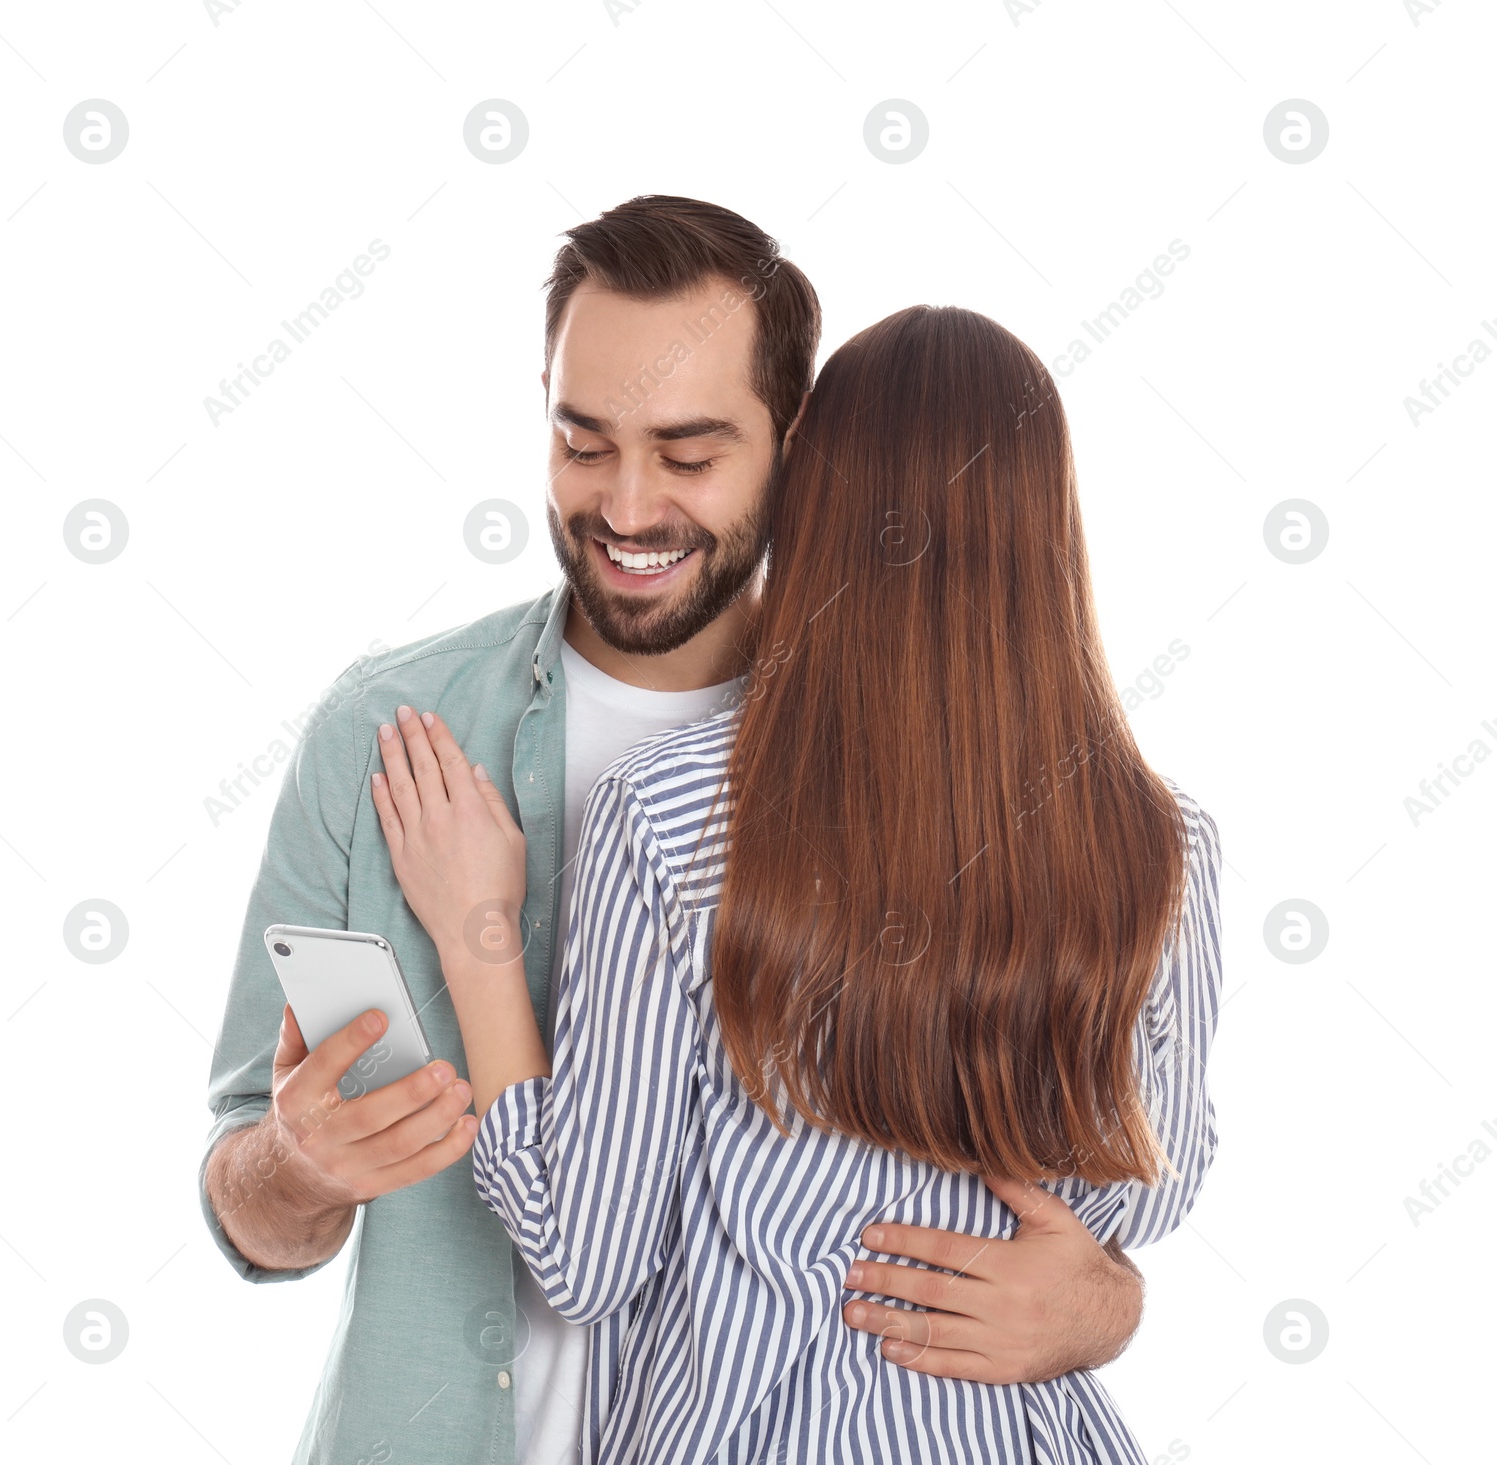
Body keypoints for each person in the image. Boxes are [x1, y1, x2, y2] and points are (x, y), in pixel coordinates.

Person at [200, 197, 1157, 1465]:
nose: (629, 505)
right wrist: (295, 1168)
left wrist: (1104, 1301)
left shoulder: (914, 780)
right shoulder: (385, 731)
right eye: (582, 442)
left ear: (798, 444)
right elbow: (246, 1182)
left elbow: (1012, 1158)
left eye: (690, 452)